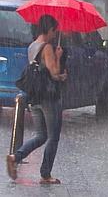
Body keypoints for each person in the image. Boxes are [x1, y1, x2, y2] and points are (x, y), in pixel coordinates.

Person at [6, 15, 67, 184]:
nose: (55, 34)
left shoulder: (32, 46)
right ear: (49, 29)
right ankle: (46, 174)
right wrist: (58, 57)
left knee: (41, 136)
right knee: (53, 137)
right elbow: (54, 73)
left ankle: (15, 157)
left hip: (35, 96)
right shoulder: (47, 47)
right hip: (49, 97)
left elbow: (39, 70)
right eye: (55, 31)